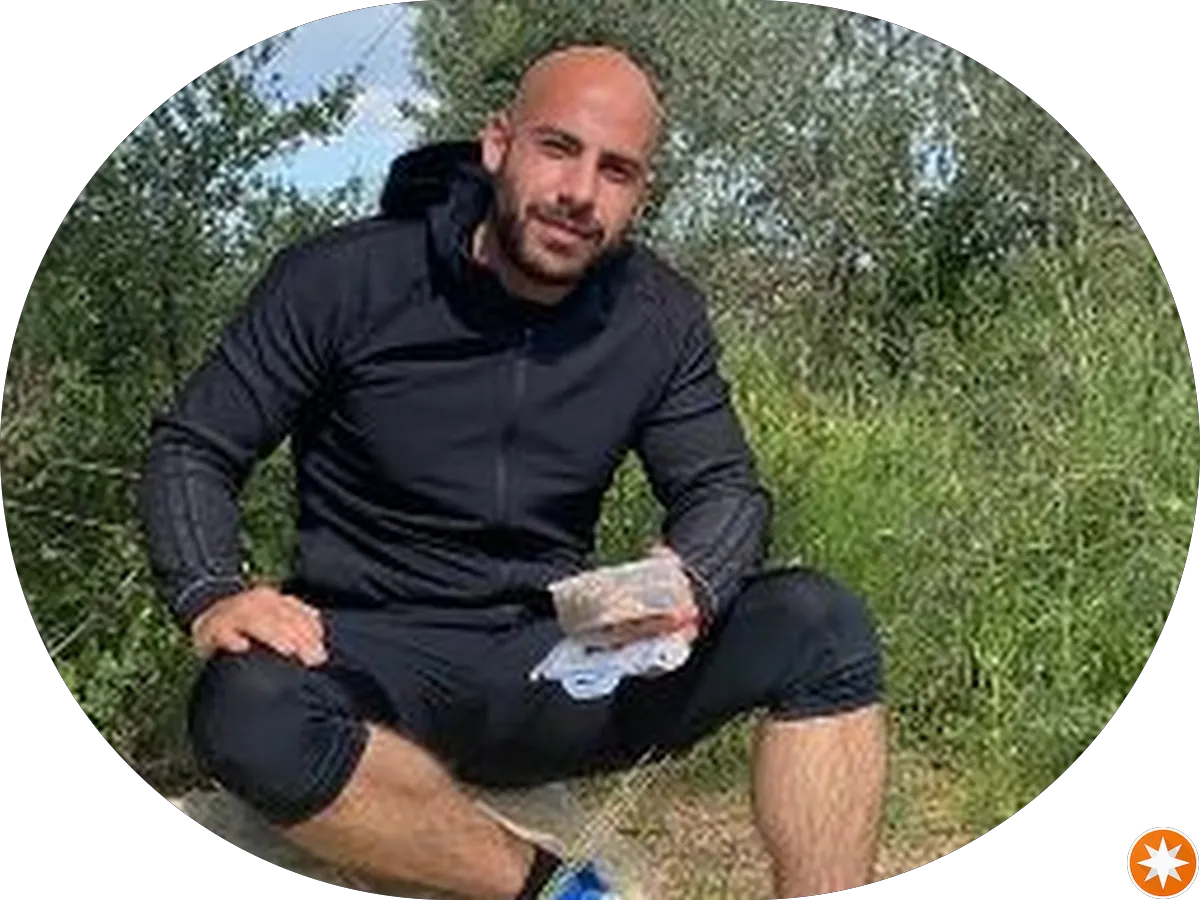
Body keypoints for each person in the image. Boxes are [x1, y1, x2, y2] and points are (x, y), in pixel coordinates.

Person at [138, 42, 888, 900]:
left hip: (550, 663)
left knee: (821, 626)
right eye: (558, 148)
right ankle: (561, 892)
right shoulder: (345, 279)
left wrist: (696, 579)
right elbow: (195, 446)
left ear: (640, 194)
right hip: (372, 657)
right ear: (498, 144)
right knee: (244, 706)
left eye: (616, 170)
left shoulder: (657, 315)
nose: (580, 192)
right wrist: (212, 591)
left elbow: (723, 488)